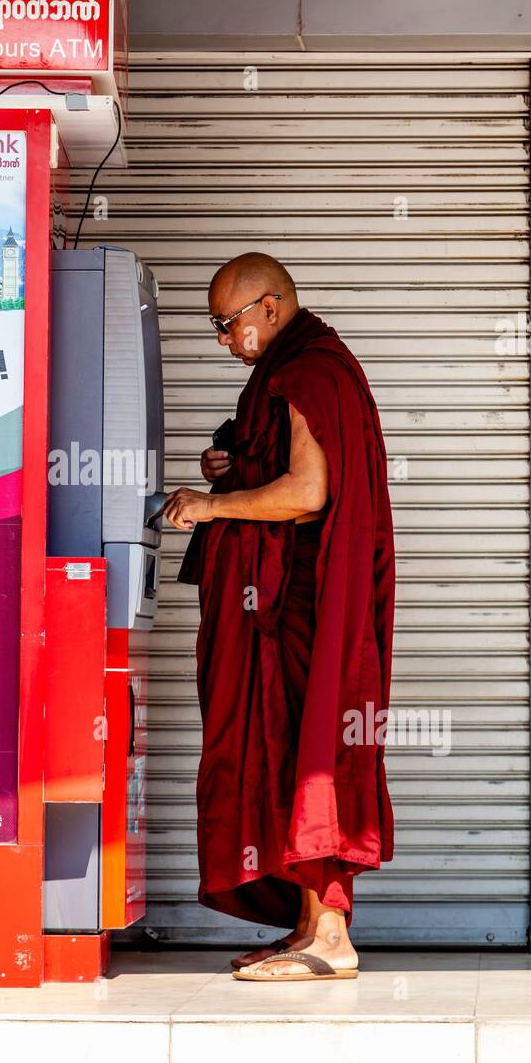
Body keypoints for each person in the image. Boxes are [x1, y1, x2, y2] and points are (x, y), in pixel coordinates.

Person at [162, 253, 395, 981]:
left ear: (269, 307)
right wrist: (231, 467)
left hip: (300, 610)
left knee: (310, 746)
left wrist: (211, 504)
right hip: (277, 607)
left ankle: (332, 937)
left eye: (228, 324)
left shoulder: (310, 372)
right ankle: (307, 927)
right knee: (280, 750)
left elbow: (307, 492)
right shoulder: (291, 371)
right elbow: (277, 467)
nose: (225, 341)